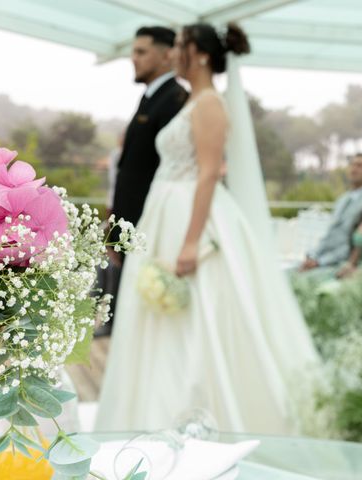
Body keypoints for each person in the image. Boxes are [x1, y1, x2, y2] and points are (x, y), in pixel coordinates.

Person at [96, 23, 320, 434]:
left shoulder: (209, 104)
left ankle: (201, 413)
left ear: (198, 53)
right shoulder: (192, 102)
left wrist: (191, 241)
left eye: (180, 46)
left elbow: (209, 173)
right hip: (165, 212)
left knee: (199, 318)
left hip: (191, 217)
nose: (175, 53)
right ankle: (149, 412)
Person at [99, 26, 188, 337]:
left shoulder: (175, 100)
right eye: (132, 51)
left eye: (141, 52)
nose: (133, 59)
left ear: (167, 55)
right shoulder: (149, 97)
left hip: (151, 221)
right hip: (129, 220)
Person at [300, 153, 362, 271]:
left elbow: (353, 243)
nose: (354, 169)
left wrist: (320, 262)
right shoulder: (342, 199)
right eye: (352, 164)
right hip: (320, 258)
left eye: (360, 166)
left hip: (341, 263)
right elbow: (330, 234)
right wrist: (313, 256)